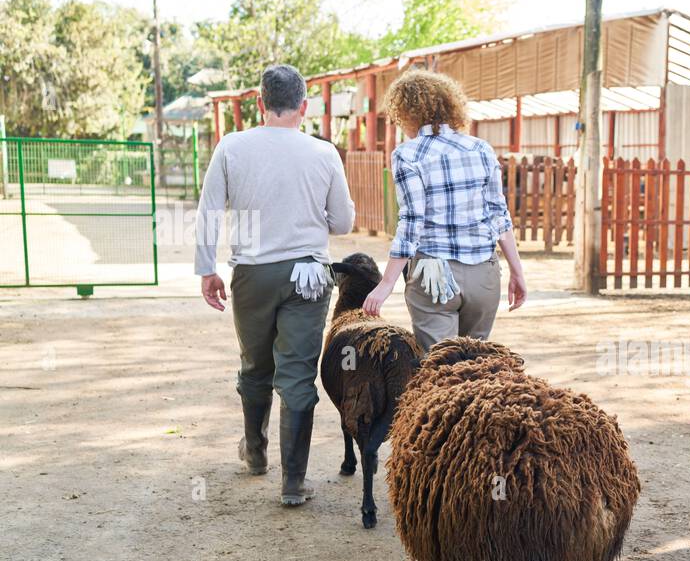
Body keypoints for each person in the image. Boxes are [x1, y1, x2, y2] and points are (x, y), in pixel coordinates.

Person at [196, 64, 355, 506]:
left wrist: (207, 268)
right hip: (307, 275)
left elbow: (209, 211)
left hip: (252, 273)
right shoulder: (324, 154)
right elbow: (341, 222)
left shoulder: (232, 146)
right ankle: (294, 483)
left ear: (260, 103)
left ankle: (256, 455)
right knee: (297, 375)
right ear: (304, 106)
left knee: (255, 365)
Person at [361, 70, 526, 345]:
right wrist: (517, 272)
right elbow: (500, 216)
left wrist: (387, 282)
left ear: (405, 112)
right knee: (477, 365)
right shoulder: (481, 149)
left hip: (434, 276)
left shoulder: (407, 154)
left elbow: (412, 221)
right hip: (484, 274)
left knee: (440, 371)